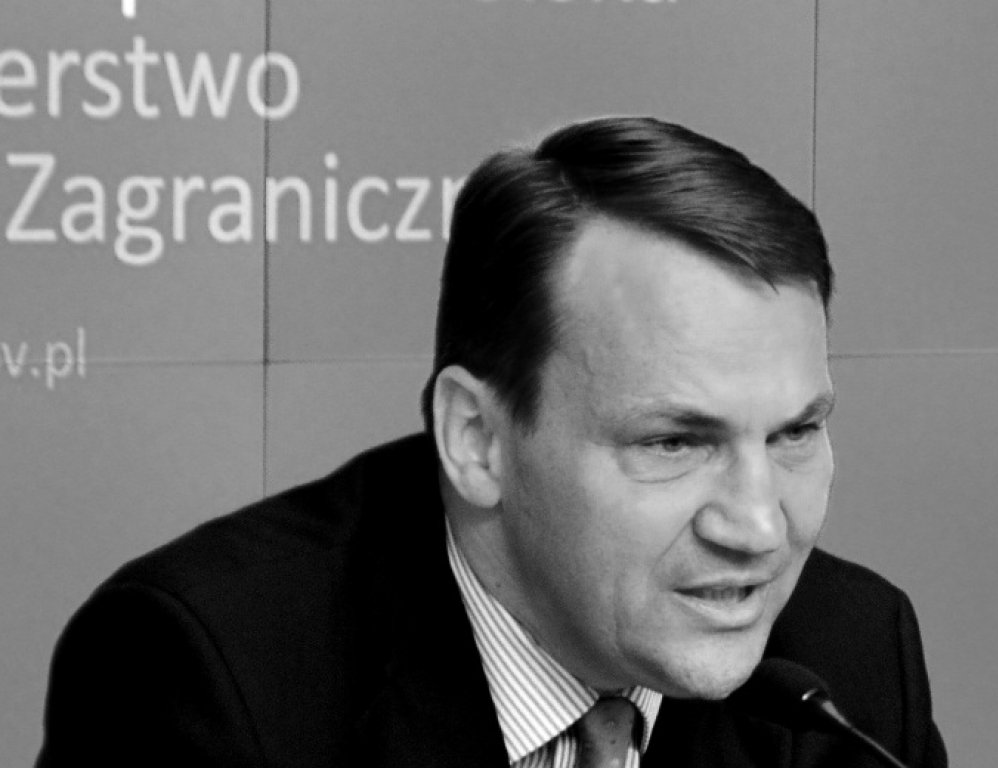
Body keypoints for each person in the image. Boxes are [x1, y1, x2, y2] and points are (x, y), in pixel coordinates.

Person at [36, 116, 947, 767]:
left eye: (796, 432)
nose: (758, 527)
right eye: (674, 443)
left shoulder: (851, 662)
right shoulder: (207, 677)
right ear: (478, 441)